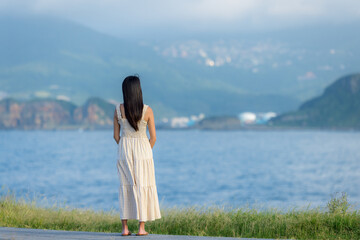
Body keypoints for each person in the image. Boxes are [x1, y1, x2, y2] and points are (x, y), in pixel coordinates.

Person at [113, 75, 161, 236]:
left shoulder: (118, 110)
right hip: (143, 150)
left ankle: (125, 228)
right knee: (143, 184)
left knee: (125, 186)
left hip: (124, 149)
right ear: (138, 90)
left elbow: (116, 136)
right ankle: (141, 228)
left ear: (125, 91)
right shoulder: (148, 110)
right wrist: (146, 151)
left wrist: (124, 147)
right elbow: (153, 137)